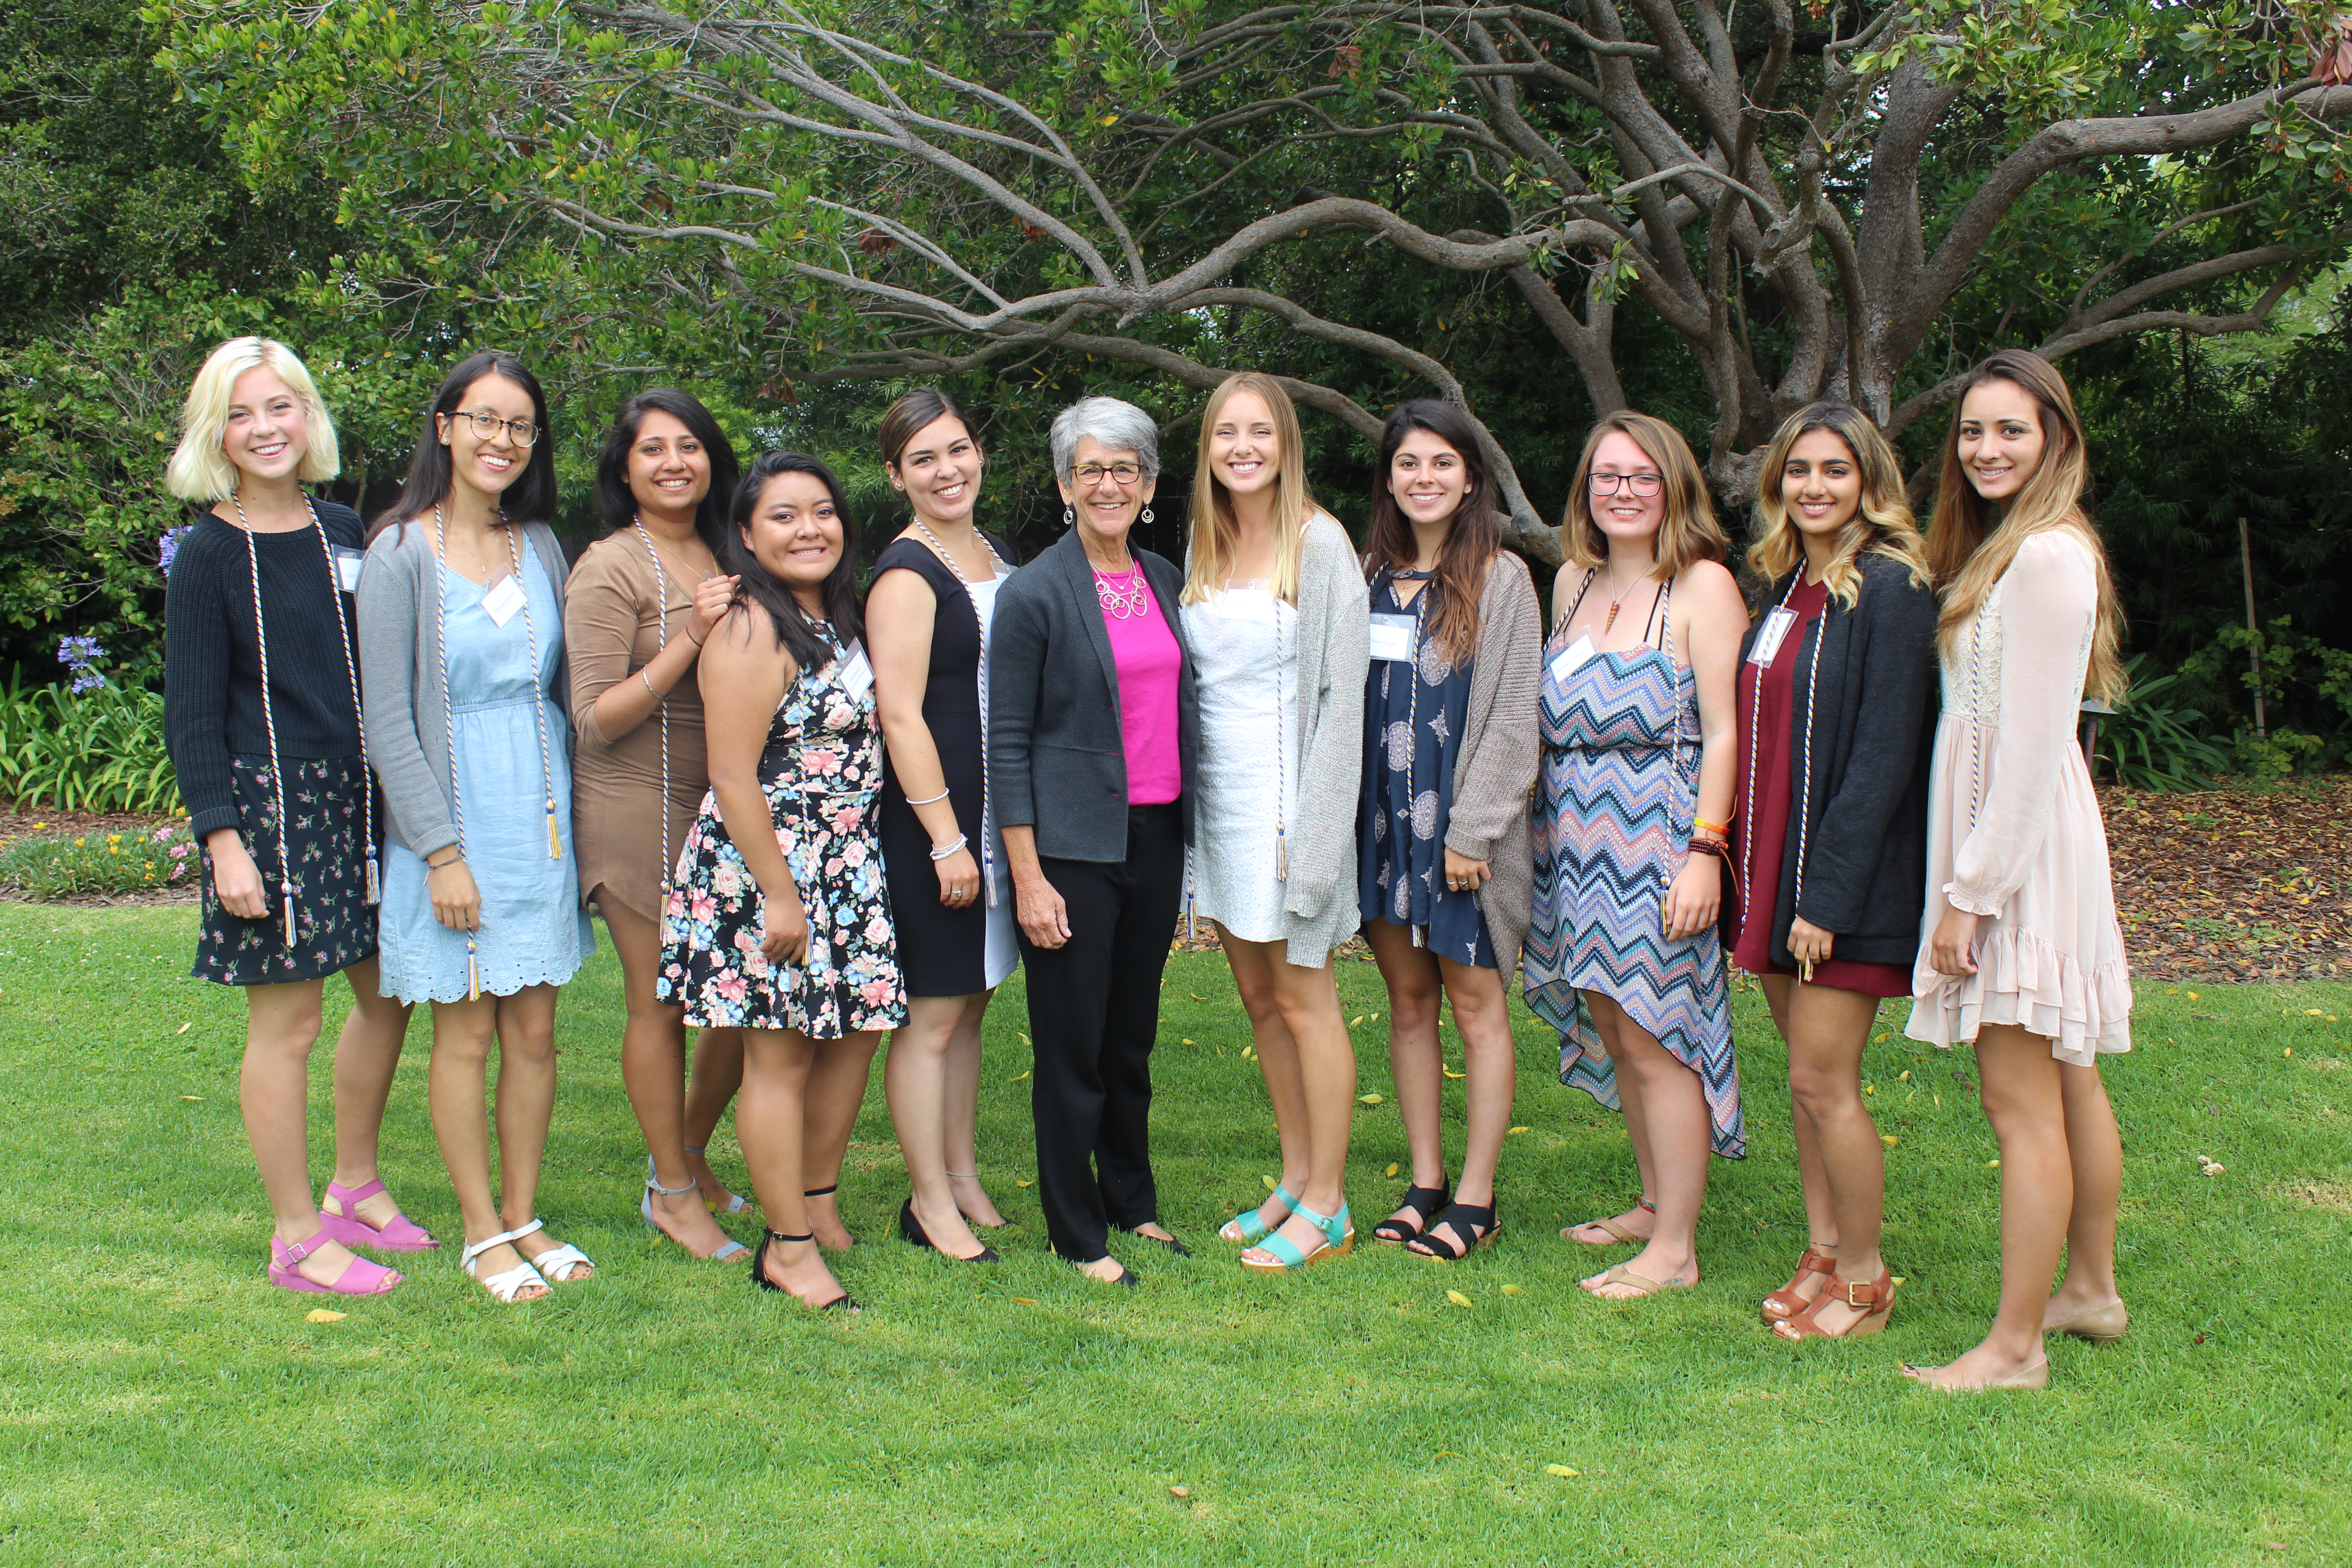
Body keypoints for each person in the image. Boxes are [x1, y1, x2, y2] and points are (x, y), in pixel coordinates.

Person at [162, 336, 421, 1297]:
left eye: (281, 407)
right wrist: (221, 841)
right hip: (267, 807)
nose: (265, 428)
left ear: (309, 417)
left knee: (391, 994)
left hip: (359, 801)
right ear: (215, 433)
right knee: (290, 1027)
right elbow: (190, 715)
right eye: (242, 413)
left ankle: (355, 1186)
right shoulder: (208, 556)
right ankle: (295, 1236)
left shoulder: (347, 530)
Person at [1902, 350, 2134, 1391]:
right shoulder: (2017, 548)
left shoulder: (2045, 557)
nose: (1987, 449)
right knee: (2066, 1072)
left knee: (2020, 1097)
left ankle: (2015, 1348)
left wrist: (1970, 894)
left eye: (2012, 431)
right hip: (2030, 840)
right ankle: (2088, 1290)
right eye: (1972, 432)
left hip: (2022, 853)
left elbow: (2036, 749)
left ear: (2057, 442)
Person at [358, 350, 598, 1304]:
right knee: (465, 1034)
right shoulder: (398, 553)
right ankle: (480, 1230)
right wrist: (440, 854)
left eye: (520, 425)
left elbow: (567, 688)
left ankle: (527, 1214)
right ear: (446, 424)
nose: (501, 440)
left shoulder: (539, 545)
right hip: (450, 824)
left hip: (536, 815)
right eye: (485, 419)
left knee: (535, 1032)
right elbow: (386, 720)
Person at [659, 452, 904, 1312]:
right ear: (749, 535)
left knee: (857, 1032)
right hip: (770, 865)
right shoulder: (747, 628)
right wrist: (781, 894)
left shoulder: (832, 615)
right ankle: (788, 1249)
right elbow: (731, 774)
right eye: (785, 517)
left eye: (823, 511)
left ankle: (814, 1200)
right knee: (779, 1057)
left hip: (846, 858)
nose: (810, 529)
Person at [1524, 411, 1747, 1302]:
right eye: (1607, 475)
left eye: (1642, 477)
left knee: (1659, 1037)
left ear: (1673, 488)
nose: (1623, 491)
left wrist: (1707, 851)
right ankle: (1654, 1203)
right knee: (1617, 1027)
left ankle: (1677, 1250)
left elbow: (1728, 734)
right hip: (1573, 836)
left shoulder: (1703, 587)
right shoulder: (1572, 582)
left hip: (1658, 833)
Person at [1731, 402, 1940, 1341]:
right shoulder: (1786, 588)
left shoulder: (1892, 586)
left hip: (1840, 888)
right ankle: (1822, 1252)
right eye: (1800, 471)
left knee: (1827, 1081)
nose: (1816, 488)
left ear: (1870, 482)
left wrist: (1827, 899)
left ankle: (1864, 1280)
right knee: (1803, 1078)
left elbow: (1887, 752)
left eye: (1836, 471)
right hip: (1776, 871)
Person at [991, 396, 1200, 1287]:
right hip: (1072, 850)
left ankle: (1132, 1201)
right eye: (1090, 469)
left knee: (1130, 1039)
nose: (1108, 483)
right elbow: (1006, 741)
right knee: (1072, 1046)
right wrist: (1029, 877)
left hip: (1154, 837)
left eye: (1126, 468)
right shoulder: (1036, 591)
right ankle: (1076, 1233)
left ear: (1150, 484)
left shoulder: (1160, 576)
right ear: (1065, 485)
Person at [566, 390, 763, 1263]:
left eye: (690, 446)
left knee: (736, 1004)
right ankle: (674, 1195)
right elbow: (595, 717)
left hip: (724, 801)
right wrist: (691, 636)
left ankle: (685, 1155)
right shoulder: (610, 566)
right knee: (662, 1001)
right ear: (624, 469)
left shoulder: (728, 548)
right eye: (653, 449)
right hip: (634, 802)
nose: (674, 462)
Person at [1182, 372, 1370, 1274]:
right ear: (1209, 448)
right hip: (1220, 803)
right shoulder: (1206, 540)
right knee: (1259, 1001)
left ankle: (1330, 1204)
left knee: (1306, 998)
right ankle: (1294, 1181)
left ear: (1286, 442)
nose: (1243, 448)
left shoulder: (1320, 543)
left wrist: (1317, 829)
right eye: (1227, 433)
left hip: (1291, 809)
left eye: (1260, 431)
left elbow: (1343, 702)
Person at [1353, 401, 1542, 1262]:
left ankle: (1476, 1195)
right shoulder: (1367, 576)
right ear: (1389, 476)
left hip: (1462, 839)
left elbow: (1511, 718)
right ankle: (1424, 1180)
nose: (1423, 478)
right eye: (1408, 463)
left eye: (1441, 463)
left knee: (1475, 1006)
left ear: (1471, 478)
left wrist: (1472, 833)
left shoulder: (1502, 580)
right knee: (1407, 1003)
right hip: (1386, 829)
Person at [867, 388, 1019, 1265]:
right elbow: (901, 713)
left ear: (978, 452)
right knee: (931, 1017)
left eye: (957, 449)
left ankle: (962, 1177)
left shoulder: (992, 552)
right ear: (897, 475)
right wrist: (947, 840)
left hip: (998, 820)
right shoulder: (906, 571)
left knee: (972, 1007)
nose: (947, 470)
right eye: (923, 459)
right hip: (940, 825)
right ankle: (926, 1200)